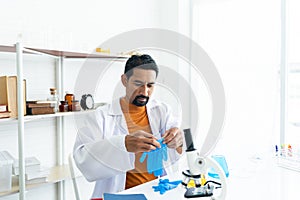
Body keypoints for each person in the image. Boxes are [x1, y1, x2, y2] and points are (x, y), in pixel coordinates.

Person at [73, 54, 183, 198]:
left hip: (156, 191)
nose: (145, 92)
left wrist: (178, 140)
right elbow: (83, 160)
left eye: (150, 85)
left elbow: (181, 145)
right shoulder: (101, 116)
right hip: (121, 194)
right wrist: (122, 144)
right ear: (124, 80)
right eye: (138, 84)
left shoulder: (162, 111)